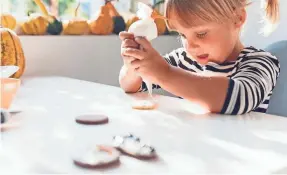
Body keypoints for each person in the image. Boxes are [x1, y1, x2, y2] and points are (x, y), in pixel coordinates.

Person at [118, 0, 280, 115]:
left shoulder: (261, 62)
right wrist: (134, 63)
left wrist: (164, 73)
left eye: (201, 34)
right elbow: (132, 86)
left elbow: (239, 97)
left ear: (237, 18)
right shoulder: (184, 59)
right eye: (182, 34)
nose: (190, 46)